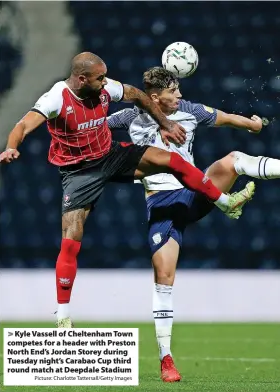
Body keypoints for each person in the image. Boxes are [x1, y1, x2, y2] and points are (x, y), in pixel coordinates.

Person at [0, 53, 255, 330]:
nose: (105, 82)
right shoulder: (56, 98)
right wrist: (12, 146)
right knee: (71, 237)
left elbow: (136, 95)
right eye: (100, 78)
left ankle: (225, 201)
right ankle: (62, 314)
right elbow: (23, 124)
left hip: (109, 154)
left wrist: (165, 123)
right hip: (79, 171)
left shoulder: (106, 87)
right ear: (82, 78)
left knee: (171, 160)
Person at [108, 66, 280, 383]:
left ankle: (229, 198)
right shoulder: (129, 117)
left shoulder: (190, 111)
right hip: (161, 205)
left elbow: (225, 117)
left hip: (196, 190)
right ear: (156, 97)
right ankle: (166, 359)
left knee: (235, 159)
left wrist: (252, 124)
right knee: (164, 275)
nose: (181, 96)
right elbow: (93, 129)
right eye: (175, 92)